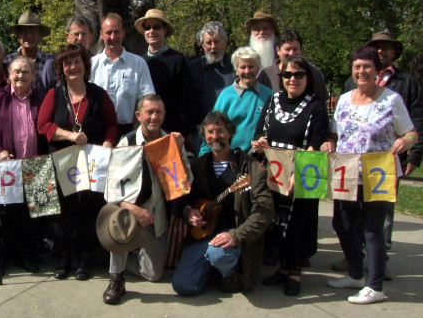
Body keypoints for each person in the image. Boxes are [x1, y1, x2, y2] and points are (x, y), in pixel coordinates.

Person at [322, 46, 417, 304]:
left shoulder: (391, 100)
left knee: (373, 229)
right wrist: (329, 143)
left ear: (378, 71)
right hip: (347, 172)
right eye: (357, 67)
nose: (361, 71)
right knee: (342, 223)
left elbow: (410, 132)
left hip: (380, 172)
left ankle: (375, 286)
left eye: (366, 67)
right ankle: (355, 274)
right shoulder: (344, 99)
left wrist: (405, 143)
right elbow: (334, 134)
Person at [37, 43, 118, 280]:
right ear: (61, 68)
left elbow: (112, 124)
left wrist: (107, 144)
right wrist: (70, 135)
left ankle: (84, 259)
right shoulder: (54, 94)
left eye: (77, 62)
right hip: (62, 163)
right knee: (62, 212)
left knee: (87, 210)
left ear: (85, 66)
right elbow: (42, 125)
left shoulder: (98, 94)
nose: (73, 67)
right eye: (67, 63)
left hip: (91, 164)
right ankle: (63, 258)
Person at [172, 111, 273, 296]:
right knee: (183, 286)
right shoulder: (198, 166)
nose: (215, 136)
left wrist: (237, 235)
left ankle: (230, 273)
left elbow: (263, 211)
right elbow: (182, 198)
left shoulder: (251, 168)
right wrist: (189, 212)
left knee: (218, 254)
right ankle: (214, 269)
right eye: (210, 132)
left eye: (220, 131)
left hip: (236, 236)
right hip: (204, 236)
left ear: (230, 134)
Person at [251, 55, 329, 296]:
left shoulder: (316, 105)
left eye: (298, 74)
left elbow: (317, 142)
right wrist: (261, 142)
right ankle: (282, 269)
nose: (292, 79)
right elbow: (260, 132)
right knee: (277, 222)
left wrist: (300, 173)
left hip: (303, 171)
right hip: (275, 172)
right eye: (287, 74)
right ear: (281, 77)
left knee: (299, 222)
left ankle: (295, 271)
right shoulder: (272, 101)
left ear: (308, 78)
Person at [101, 95, 184, 305]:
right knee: (119, 218)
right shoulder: (126, 142)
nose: (154, 117)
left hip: (157, 217)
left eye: (158, 112)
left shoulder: (172, 142)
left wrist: (180, 153)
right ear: (139, 115)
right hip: (130, 213)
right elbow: (110, 189)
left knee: (154, 274)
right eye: (149, 112)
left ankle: (124, 256)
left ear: (164, 115)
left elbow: (185, 182)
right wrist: (133, 208)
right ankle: (116, 278)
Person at [0, 56, 48, 276]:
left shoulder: (41, 98)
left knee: (30, 217)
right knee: (2, 217)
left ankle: (27, 257)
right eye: (16, 71)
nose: (20, 76)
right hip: (6, 166)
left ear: (33, 75)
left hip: (35, 166)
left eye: (25, 72)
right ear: (9, 74)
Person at [90, 13, 155, 135]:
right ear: (101, 34)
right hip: (97, 132)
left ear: (123, 32)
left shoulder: (138, 63)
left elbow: (147, 101)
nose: (113, 37)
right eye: (108, 33)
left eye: (117, 32)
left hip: (129, 131)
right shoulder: (92, 65)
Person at [200, 46, 272, 155]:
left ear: (258, 68)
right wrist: (203, 156)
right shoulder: (226, 95)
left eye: (251, 66)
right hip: (230, 158)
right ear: (236, 70)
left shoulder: (269, 95)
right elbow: (212, 126)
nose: (247, 71)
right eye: (243, 67)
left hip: (259, 159)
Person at [134, 9, 196, 136]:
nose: (151, 31)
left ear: (165, 30)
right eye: (147, 27)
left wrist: (182, 132)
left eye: (156, 27)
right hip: (144, 132)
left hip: (171, 131)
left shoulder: (178, 60)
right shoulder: (138, 61)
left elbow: (187, 101)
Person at [188, 21, 236, 152]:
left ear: (225, 42)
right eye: (209, 42)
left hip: (231, 132)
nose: (213, 47)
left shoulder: (235, 66)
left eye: (217, 41)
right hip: (201, 134)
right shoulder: (192, 68)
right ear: (202, 44)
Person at [257, 29, 329, 102]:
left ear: (301, 50)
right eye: (287, 49)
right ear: (278, 50)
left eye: (295, 49)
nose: (291, 53)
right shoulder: (266, 75)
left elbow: (321, 101)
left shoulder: (313, 73)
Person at [41, 15, 95, 89]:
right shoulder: (53, 63)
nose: (80, 38)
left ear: (91, 36)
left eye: (84, 34)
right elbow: (44, 95)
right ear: (67, 36)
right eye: (76, 34)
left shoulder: (97, 62)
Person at [4, 11, 53, 92]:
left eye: (34, 32)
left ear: (40, 35)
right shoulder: (7, 61)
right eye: (24, 31)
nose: (29, 36)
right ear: (18, 36)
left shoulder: (49, 62)